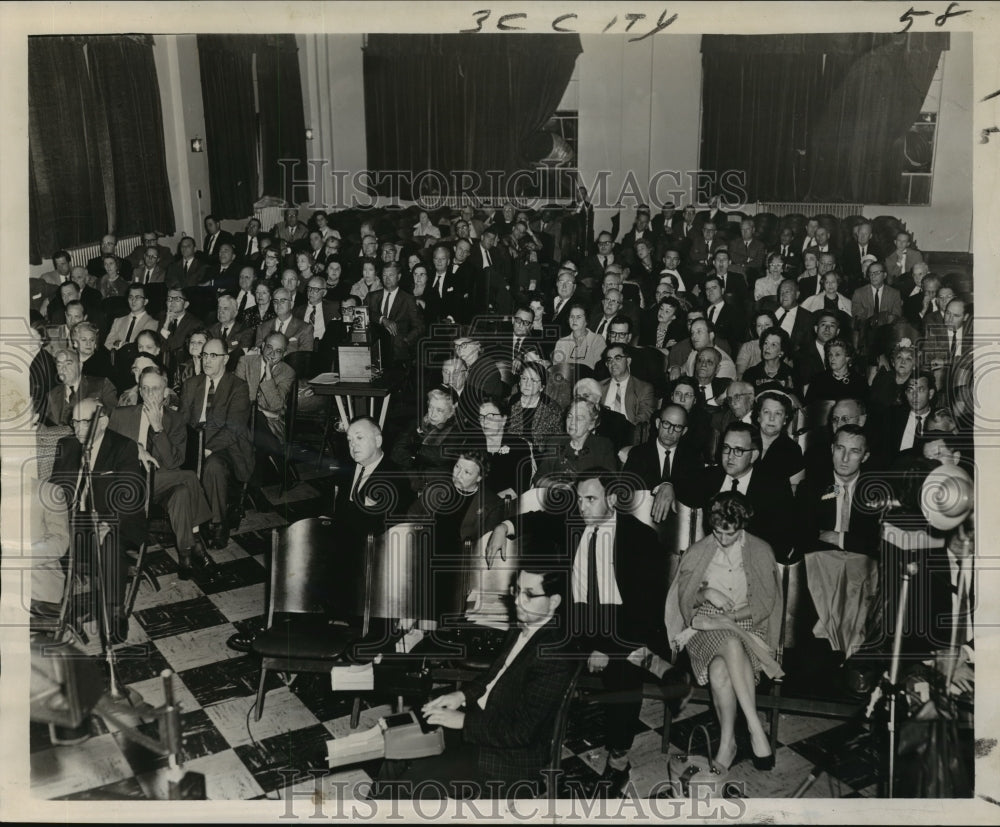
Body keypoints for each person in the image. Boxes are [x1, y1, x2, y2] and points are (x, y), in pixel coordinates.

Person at [375, 562, 578, 800]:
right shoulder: (523, 625)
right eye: (517, 590)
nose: (517, 601)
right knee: (395, 746)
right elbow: (493, 677)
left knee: (411, 785)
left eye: (529, 594)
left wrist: (463, 721)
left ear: (554, 601)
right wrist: (461, 696)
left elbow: (520, 732)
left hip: (505, 756)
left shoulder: (555, 655)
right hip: (482, 723)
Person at [568, 470, 670, 793]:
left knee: (625, 665)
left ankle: (618, 760)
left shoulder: (639, 538)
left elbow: (644, 611)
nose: (582, 507)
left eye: (590, 499)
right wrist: (505, 526)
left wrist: (604, 646)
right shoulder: (573, 530)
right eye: (579, 500)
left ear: (612, 499)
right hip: (579, 623)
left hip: (623, 623)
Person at [665, 492, 783, 773]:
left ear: (742, 526)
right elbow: (684, 600)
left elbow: (765, 604)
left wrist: (732, 616)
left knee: (721, 671)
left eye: (731, 534)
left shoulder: (761, 549)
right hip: (704, 627)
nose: (723, 540)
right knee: (728, 639)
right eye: (718, 533)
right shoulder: (699, 551)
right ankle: (755, 728)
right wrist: (707, 592)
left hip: (748, 627)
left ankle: (727, 743)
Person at [50, 397, 147, 643]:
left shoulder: (123, 447)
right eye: (74, 422)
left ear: (102, 421)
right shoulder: (67, 445)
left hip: (115, 520)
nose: (78, 429)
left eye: (85, 422)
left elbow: (130, 498)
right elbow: (55, 491)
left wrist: (107, 524)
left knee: (111, 542)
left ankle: (115, 613)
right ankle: (58, 607)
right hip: (77, 522)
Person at [108, 365, 214, 579]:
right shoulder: (120, 415)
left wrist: (158, 429)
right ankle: (197, 542)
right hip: (128, 485)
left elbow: (175, 462)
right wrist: (134, 448)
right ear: (138, 390)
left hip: (161, 484)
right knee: (190, 477)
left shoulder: (175, 421)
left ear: (166, 393)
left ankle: (184, 556)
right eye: (144, 388)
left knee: (182, 492)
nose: (149, 394)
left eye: (155, 389)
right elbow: (106, 449)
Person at [178, 338, 254, 549]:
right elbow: (182, 421)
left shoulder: (238, 387)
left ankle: (218, 524)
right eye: (204, 355)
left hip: (226, 446)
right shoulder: (191, 384)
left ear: (226, 359)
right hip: (196, 440)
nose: (207, 360)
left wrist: (206, 449)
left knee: (213, 466)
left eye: (214, 356)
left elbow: (234, 429)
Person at [236, 331, 296, 491]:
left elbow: (276, 405)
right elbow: (239, 398)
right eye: (269, 347)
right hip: (242, 417)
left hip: (270, 425)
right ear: (262, 346)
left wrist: (269, 376)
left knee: (256, 419)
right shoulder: (245, 361)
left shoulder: (287, 372)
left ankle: (253, 489)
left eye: (278, 351)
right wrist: (263, 410)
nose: (272, 353)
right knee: (254, 415)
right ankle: (279, 462)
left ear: (284, 353)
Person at [533, 399, 618, 482]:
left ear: (591, 424)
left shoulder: (602, 446)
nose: (572, 422)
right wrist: (555, 486)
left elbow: (610, 482)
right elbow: (539, 478)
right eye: (569, 416)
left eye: (579, 418)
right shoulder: (555, 442)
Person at [390, 388, 457, 492]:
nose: (433, 414)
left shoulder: (456, 431)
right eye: (431, 407)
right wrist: (417, 458)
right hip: (408, 482)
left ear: (450, 413)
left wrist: (412, 450)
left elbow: (438, 457)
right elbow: (396, 451)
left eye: (439, 410)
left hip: (438, 486)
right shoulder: (416, 423)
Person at [472, 398, 536, 498]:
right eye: (481, 417)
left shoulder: (518, 446)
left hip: (506, 505)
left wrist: (490, 503)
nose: (485, 422)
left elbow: (520, 486)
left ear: (503, 419)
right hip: (475, 501)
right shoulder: (474, 443)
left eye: (491, 416)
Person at [46, 348, 118, 427]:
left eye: (68, 364)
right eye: (59, 365)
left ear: (80, 366)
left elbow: (113, 418)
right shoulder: (52, 394)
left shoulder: (102, 385)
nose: (63, 369)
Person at [507, 362, 563, 457]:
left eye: (533, 380)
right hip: (511, 453)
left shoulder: (552, 408)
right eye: (524, 379)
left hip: (540, 457)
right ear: (519, 382)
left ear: (542, 387)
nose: (527, 384)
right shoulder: (509, 403)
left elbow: (557, 441)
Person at [753, 390, 804, 484]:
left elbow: (796, 488)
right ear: (759, 416)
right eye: (767, 412)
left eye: (778, 413)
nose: (772, 418)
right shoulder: (744, 441)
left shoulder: (793, 450)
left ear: (785, 419)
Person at [805, 338, 869, 405]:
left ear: (848, 358)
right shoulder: (818, 379)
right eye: (830, 355)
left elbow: (866, 410)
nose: (832, 358)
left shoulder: (859, 382)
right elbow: (808, 408)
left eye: (837, 354)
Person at [551, 303, 606, 370]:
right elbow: (558, 369)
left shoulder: (597, 340)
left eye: (578, 317)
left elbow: (600, 370)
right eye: (572, 316)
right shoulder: (561, 342)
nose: (574, 320)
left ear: (586, 320)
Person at [869, 340, 916, 412]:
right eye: (899, 357)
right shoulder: (883, 379)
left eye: (908, 358)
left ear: (914, 366)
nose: (903, 362)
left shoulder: (917, 383)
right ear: (893, 363)